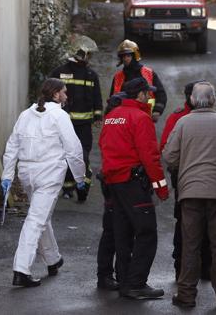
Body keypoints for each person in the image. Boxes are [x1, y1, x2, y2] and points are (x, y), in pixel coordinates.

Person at [163, 82, 216, 308]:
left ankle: (186, 295)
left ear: (192, 100)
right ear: (213, 100)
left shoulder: (182, 123)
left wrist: (183, 175)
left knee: (190, 244)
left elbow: (170, 156)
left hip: (190, 193)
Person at [2, 78, 86, 287]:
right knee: (36, 220)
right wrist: (79, 177)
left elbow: (12, 145)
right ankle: (21, 269)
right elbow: (73, 149)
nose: (67, 96)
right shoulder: (60, 116)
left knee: (41, 216)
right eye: (64, 92)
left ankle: (53, 259)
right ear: (56, 95)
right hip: (49, 174)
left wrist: (7, 175)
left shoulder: (25, 115)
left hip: (27, 174)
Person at [98, 78, 170, 300]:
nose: (150, 96)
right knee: (146, 232)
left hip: (114, 183)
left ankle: (124, 280)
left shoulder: (111, 117)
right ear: (139, 94)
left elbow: (103, 146)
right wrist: (161, 188)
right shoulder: (140, 118)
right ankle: (136, 283)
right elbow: (150, 156)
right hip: (132, 182)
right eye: (148, 93)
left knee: (122, 233)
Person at [159, 81, 212, 281]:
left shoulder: (186, 117)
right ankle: (181, 265)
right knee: (185, 221)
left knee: (203, 222)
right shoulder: (177, 117)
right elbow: (165, 147)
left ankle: (206, 265)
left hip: (193, 176)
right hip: (186, 177)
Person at [50, 45, 103, 202]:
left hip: (83, 124)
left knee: (81, 155)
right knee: (67, 155)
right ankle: (68, 187)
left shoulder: (91, 75)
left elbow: (96, 96)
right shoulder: (59, 72)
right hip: (65, 124)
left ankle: (81, 186)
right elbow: (49, 93)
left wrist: (98, 114)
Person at [95, 92, 129, 291]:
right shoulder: (117, 122)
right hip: (116, 181)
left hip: (108, 180)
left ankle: (107, 275)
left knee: (111, 229)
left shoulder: (109, 121)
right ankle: (110, 275)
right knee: (115, 231)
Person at [110, 40, 167, 122]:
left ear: (135, 56)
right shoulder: (118, 77)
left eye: (128, 56)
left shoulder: (148, 73)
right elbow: (113, 99)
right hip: (124, 119)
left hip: (145, 117)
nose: (125, 59)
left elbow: (161, 94)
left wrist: (157, 110)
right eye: (123, 56)